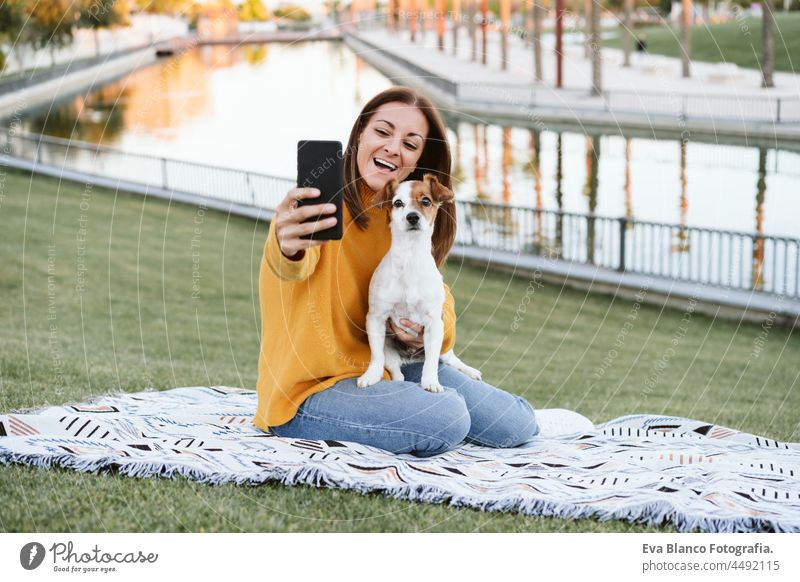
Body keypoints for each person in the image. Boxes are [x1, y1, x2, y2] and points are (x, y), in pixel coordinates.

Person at [255, 86, 540, 457]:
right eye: (383, 132)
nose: (393, 147)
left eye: (410, 143)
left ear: (419, 159)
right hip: (310, 391)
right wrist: (287, 243)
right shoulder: (319, 207)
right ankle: (398, 407)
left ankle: (404, 399)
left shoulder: (405, 216)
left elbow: (439, 297)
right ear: (359, 136)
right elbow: (290, 265)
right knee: (447, 416)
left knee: (516, 423)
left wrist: (421, 336)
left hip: (396, 363)